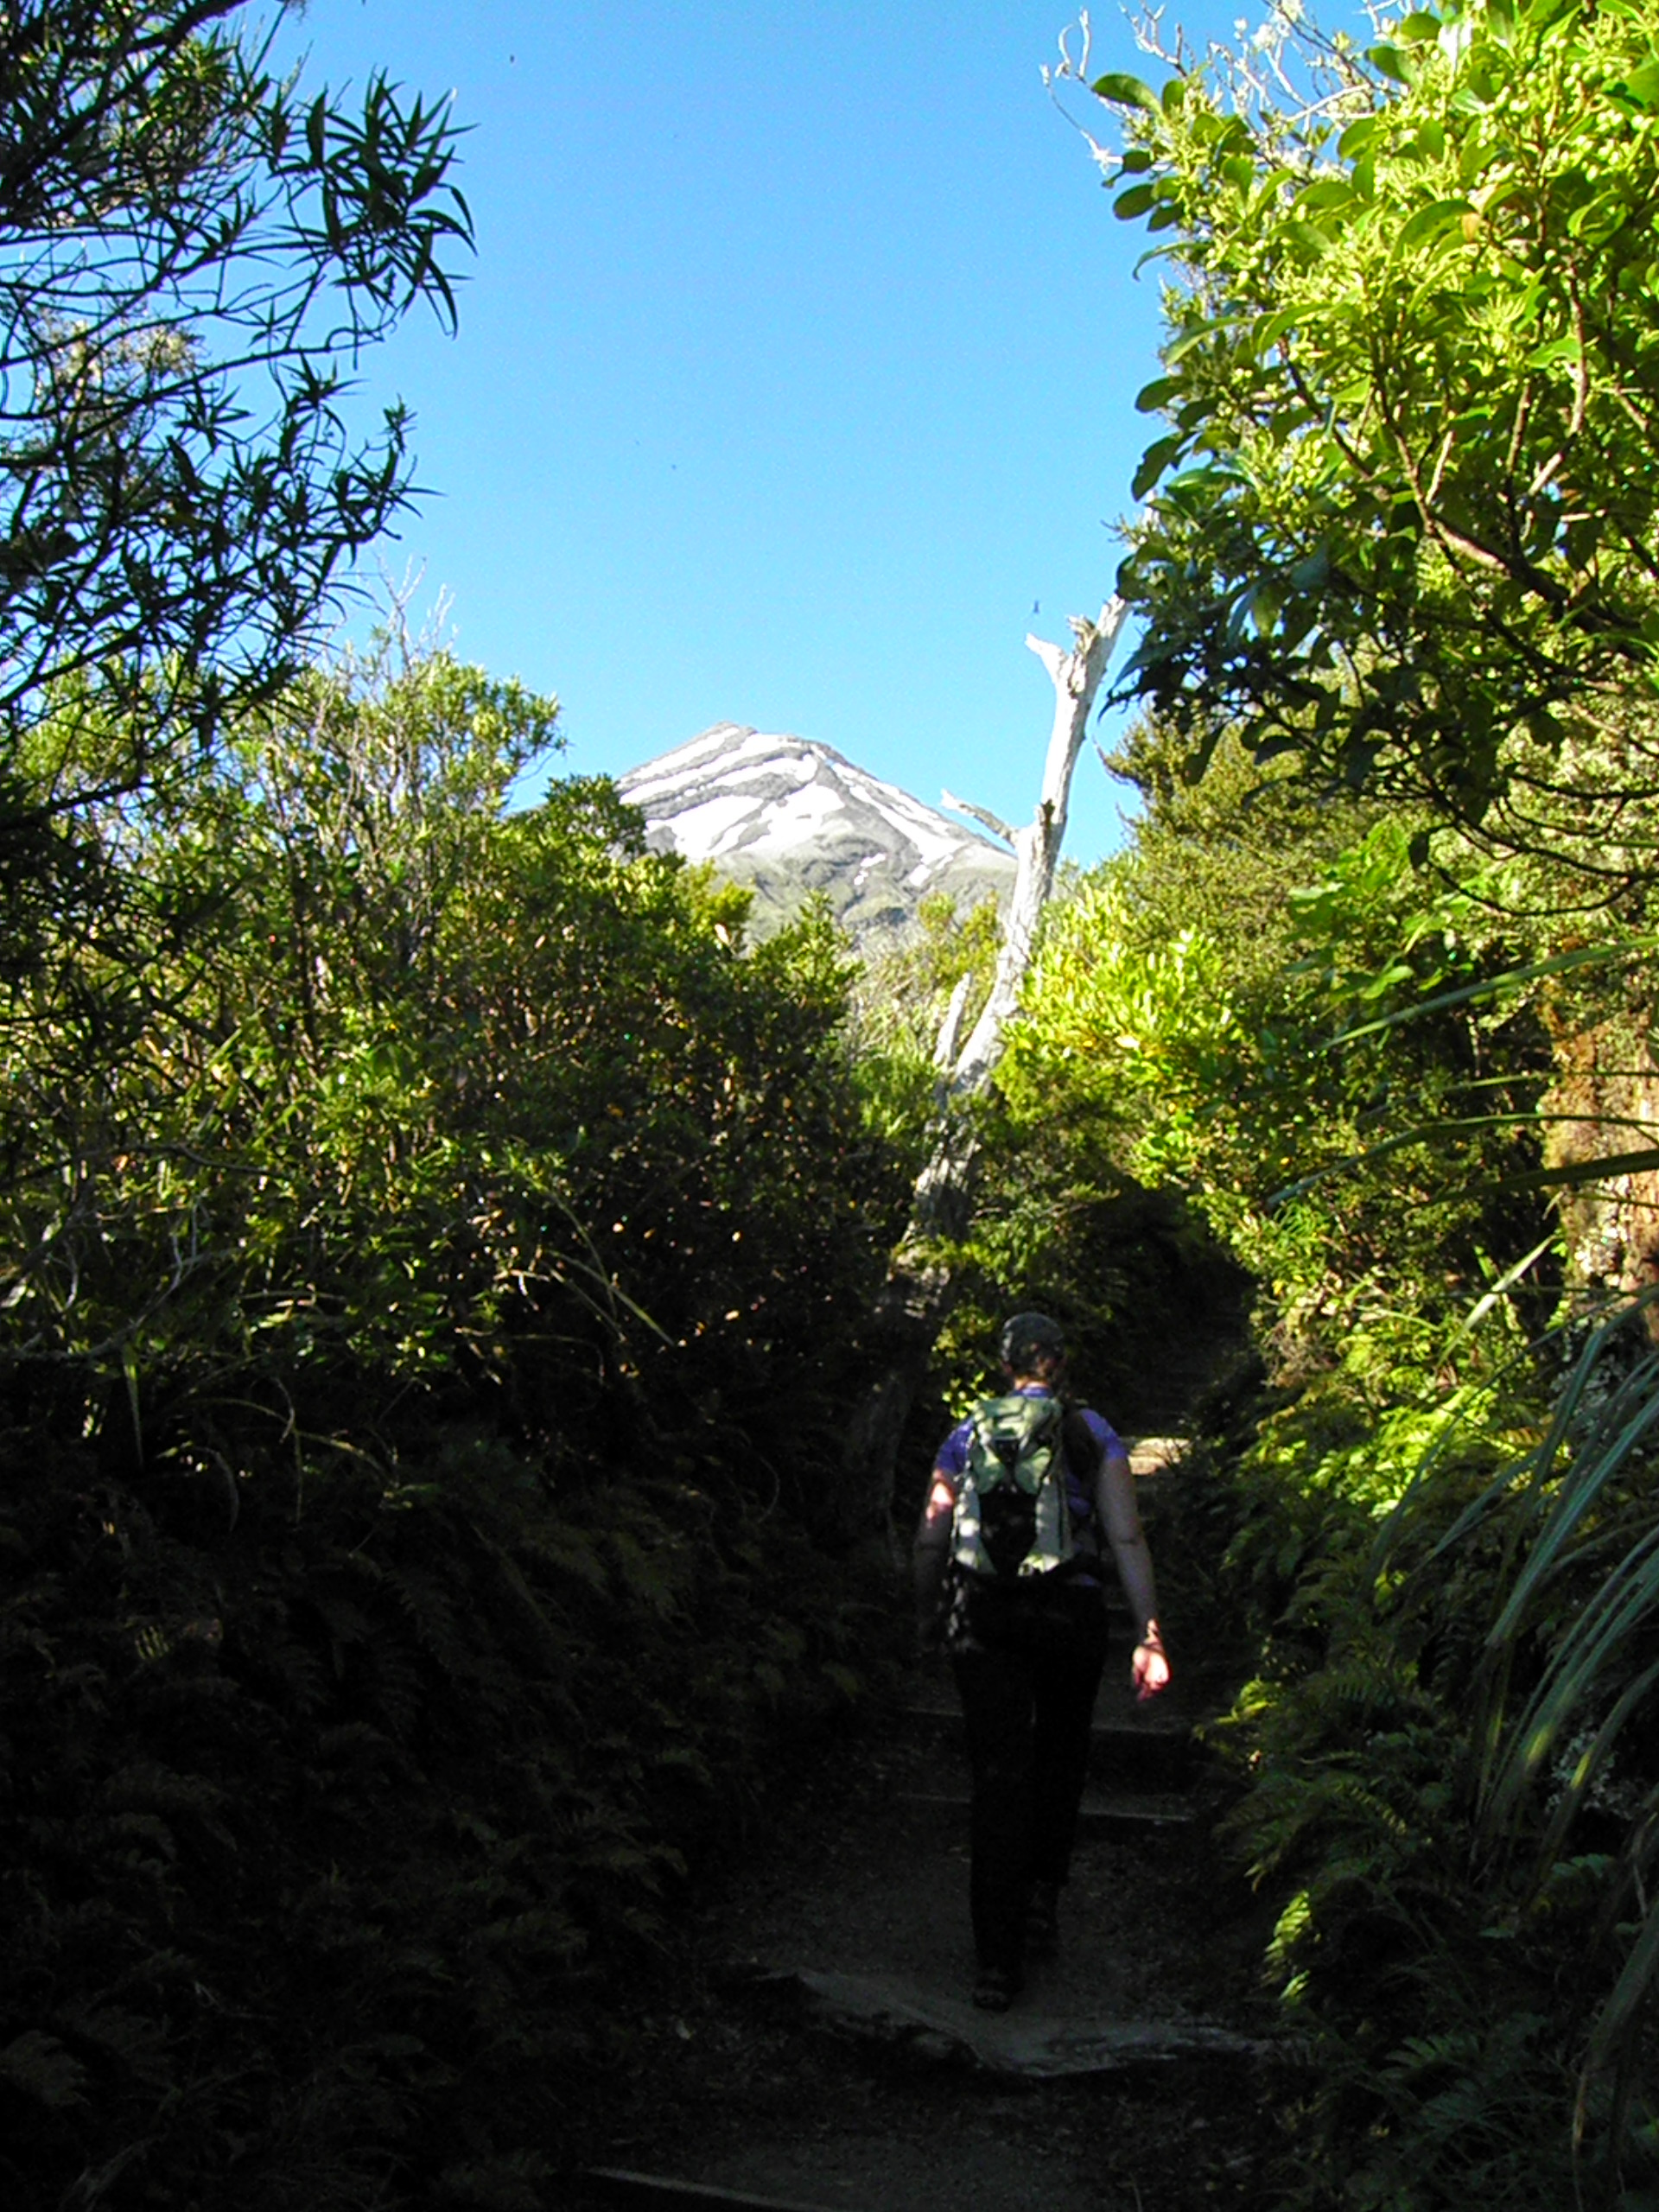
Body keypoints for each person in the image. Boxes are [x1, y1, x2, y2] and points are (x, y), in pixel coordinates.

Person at [912, 1311, 1170, 2012]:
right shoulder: (1091, 1433)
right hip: (1069, 1611)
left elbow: (932, 1537)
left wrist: (927, 1617)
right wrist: (1148, 1633)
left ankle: (995, 1964)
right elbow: (1126, 1536)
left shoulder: (967, 1434)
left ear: (1004, 1366)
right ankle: (1040, 1901)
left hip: (982, 1613)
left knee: (998, 1775)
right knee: (1060, 1755)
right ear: (1062, 1364)